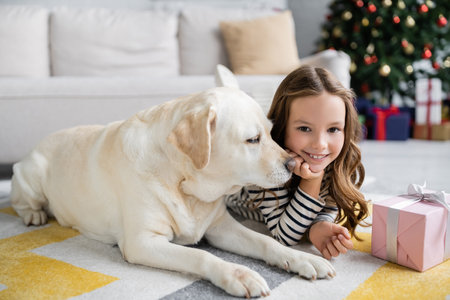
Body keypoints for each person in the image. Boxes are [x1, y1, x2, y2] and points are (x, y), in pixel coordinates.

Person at [225, 65, 369, 260]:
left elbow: (327, 204)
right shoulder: (263, 163)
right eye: (304, 128)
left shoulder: (338, 159)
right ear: (282, 127)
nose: (320, 145)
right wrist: (312, 180)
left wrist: (319, 225)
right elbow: (285, 235)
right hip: (231, 202)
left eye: (333, 129)